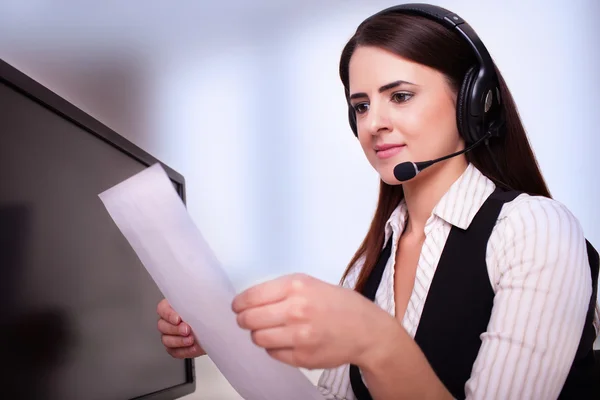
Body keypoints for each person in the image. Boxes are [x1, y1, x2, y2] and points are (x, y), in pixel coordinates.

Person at [156, 4, 600, 399]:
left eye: (400, 96)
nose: (374, 123)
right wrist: (229, 336)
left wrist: (376, 341)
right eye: (362, 106)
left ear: (473, 103)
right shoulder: (369, 264)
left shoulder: (533, 229)